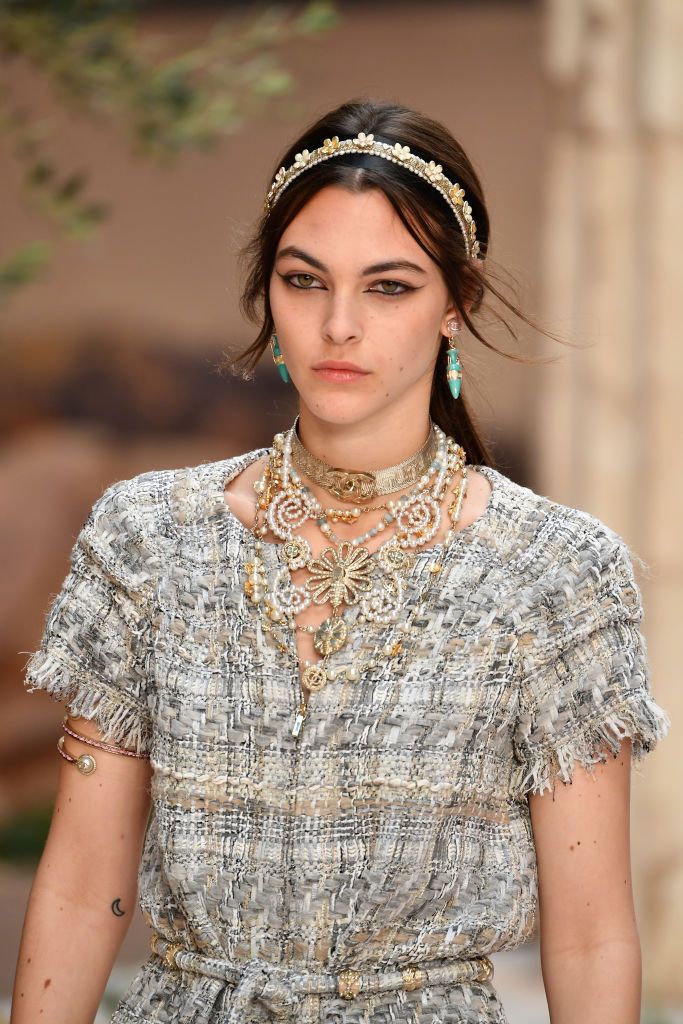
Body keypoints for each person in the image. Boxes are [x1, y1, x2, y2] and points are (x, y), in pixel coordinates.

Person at [12, 98, 671, 1024]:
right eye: (305, 279)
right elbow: (83, 886)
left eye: (389, 286)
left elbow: (591, 931)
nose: (339, 325)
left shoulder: (554, 573)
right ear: (266, 293)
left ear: (458, 304)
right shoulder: (148, 537)